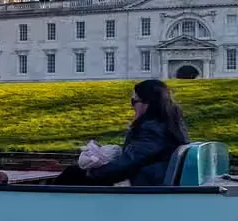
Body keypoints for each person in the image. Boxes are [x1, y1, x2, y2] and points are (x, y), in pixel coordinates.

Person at [55, 79, 190, 187]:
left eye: (134, 101)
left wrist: (92, 173)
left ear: (147, 103)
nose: (132, 106)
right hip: (154, 177)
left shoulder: (152, 129)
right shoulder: (171, 123)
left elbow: (130, 161)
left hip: (149, 183)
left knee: (73, 174)